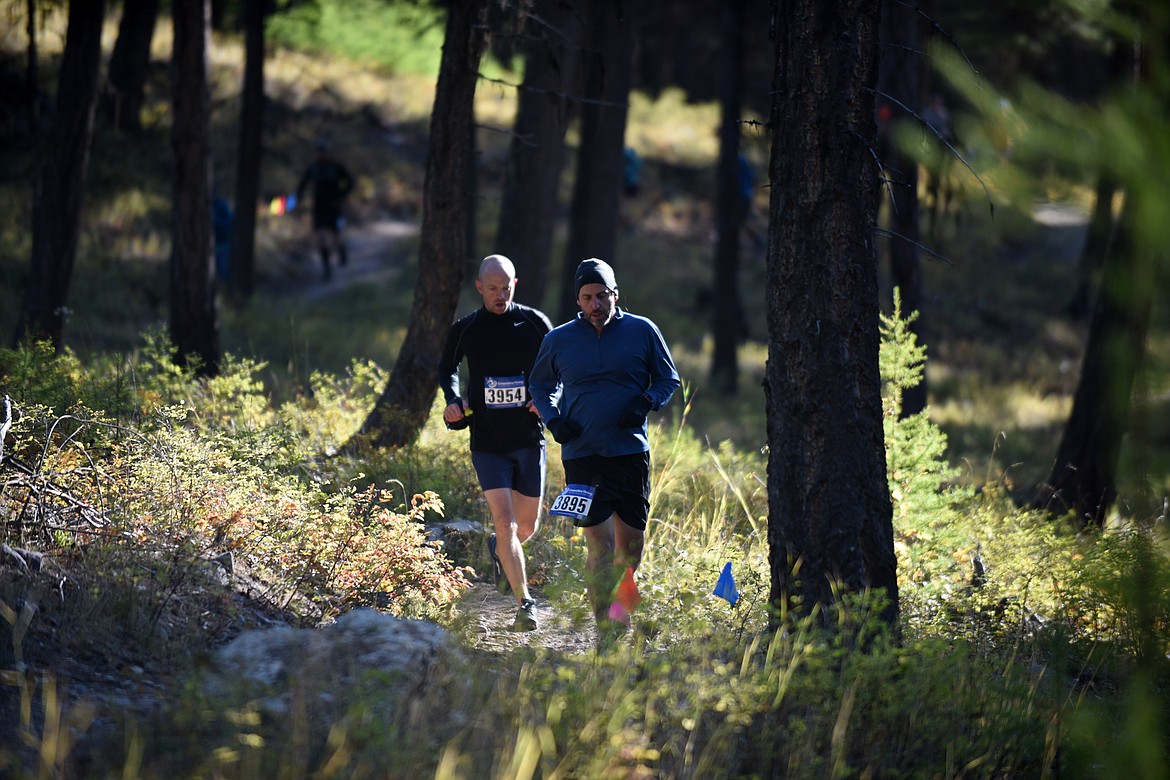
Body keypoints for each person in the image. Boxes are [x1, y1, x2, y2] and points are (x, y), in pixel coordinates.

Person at [529, 258, 680, 645]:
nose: (595, 305)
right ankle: (607, 634)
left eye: (601, 296)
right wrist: (554, 419)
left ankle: (619, 613)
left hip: (629, 452)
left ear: (614, 294)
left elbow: (669, 378)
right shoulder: (559, 339)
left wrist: (644, 402)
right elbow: (540, 385)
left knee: (629, 550)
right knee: (599, 544)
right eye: (586, 298)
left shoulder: (642, 330)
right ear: (577, 299)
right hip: (583, 454)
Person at [437, 254, 553, 632]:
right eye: (492, 289)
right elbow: (447, 367)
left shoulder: (535, 323)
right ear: (479, 288)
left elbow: (558, 369)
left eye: (506, 288)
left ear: (514, 284)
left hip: (528, 438)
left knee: (526, 526)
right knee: (505, 524)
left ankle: (497, 550)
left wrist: (548, 398)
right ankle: (525, 605)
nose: (500, 296)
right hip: (487, 441)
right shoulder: (467, 328)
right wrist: (453, 402)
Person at [295, 140, 354, 281]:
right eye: (319, 152)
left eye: (323, 152)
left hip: (334, 207)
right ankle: (327, 270)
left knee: (336, 235)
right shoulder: (313, 168)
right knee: (320, 238)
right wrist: (297, 198)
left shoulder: (336, 167)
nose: (321, 154)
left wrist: (342, 196)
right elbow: (303, 184)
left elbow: (350, 181)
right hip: (319, 208)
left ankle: (341, 251)